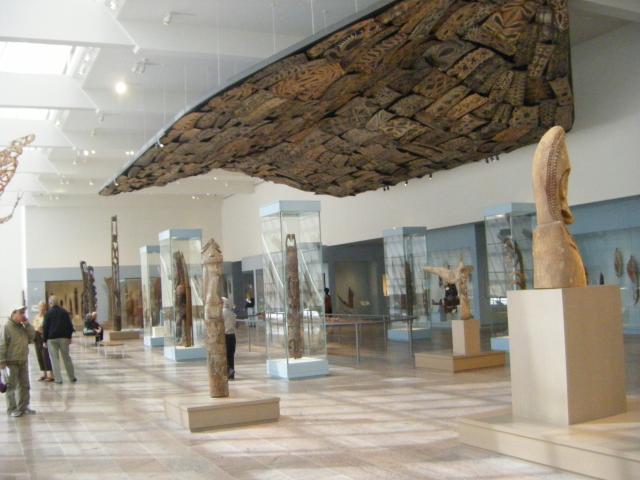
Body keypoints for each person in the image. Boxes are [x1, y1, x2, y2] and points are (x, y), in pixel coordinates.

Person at [0, 306, 36, 417]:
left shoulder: (22, 327)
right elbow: (2, 344)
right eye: (21, 313)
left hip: (22, 360)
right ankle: (12, 409)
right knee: (11, 386)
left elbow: (32, 336)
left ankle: (24, 406)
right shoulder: (6, 327)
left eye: (24, 312)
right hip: (11, 361)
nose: (23, 315)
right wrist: (1, 360)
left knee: (25, 385)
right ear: (14, 313)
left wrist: (27, 324)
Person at [43, 295, 76, 384]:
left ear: (50, 303)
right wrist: (69, 337)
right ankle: (72, 377)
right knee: (66, 357)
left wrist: (44, 340)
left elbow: (45, 327)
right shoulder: (64, 312)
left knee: (54, 359)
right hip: (64, 338)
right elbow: (70, 326)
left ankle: (58, 379)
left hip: (51, 339)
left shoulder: (48, 313)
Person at [33, 301, 54, 382]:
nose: (41, 308)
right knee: (39, 355)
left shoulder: (47, 316)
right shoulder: (36, 317)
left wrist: (42, 329)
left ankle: (50, 374)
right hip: (37, 336)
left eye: (43, 306)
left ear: (45, 307)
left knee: (46, 355)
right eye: (40, 307)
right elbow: (34, 326)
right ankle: (44, 373)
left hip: (45, 336)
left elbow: (49, 326)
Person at [223, 297, 237, 380]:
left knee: (224, 356)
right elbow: (235, 325)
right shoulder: (232, 314)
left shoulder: (221, 313)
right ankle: (231, 373)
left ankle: (228, 371)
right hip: (232, 336)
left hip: (225, 336)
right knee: (231, 356)